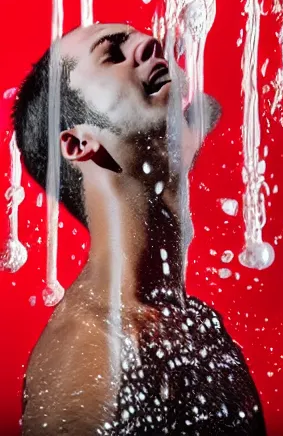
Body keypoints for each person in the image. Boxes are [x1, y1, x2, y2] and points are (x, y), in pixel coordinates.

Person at [13, 23, 266, 435]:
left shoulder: (189, 322)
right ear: (79, 144)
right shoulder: (91, 354)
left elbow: (207, 106)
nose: (150, 43)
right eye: (112, 54)